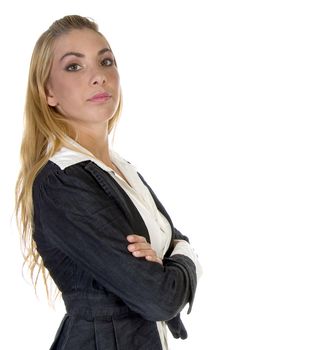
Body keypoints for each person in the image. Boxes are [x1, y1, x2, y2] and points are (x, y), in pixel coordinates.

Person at [14, 15, 202, 350]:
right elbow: (157, 298)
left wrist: (171, 260)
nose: (99, 77)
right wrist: (183, 262)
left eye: (106, 61)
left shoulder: (122, 170)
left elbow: (177, 242)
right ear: (48, 93)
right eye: (74, 67)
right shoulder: (63, 181)